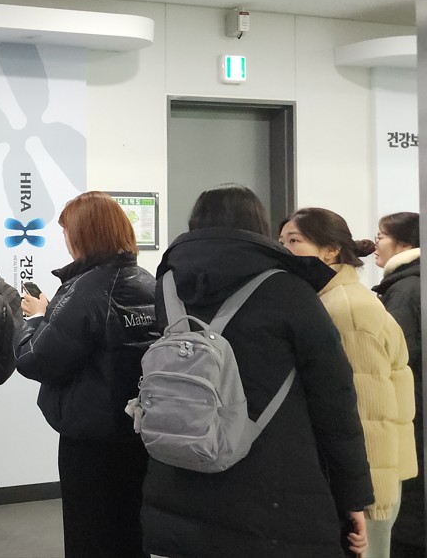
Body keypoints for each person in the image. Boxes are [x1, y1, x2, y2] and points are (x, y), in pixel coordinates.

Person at [143, 184, 373, 557]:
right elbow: (334, 400)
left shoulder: (167, 286)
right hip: (271, 491)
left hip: (180, 470)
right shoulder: (289, 289)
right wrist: (353, 497)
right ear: (258, 225)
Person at [15, 191, 155, 557]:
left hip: (91, 440)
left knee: (90, 535)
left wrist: (35, 319)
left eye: (67, 232)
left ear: (84, 235)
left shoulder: (85, 290)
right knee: (132, 532)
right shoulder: (148, 282)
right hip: (141, 433)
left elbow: (35, 360)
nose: (66, 240)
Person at [280, 207, 416, 557]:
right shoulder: (330, 300)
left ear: (331, 250)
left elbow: (370, 415)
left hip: (368, 488)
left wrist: (369, 502)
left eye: (295, 241)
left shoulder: (347, 310)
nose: (285, 250)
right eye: (281, 242)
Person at [372, 212, 423, 558]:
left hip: (411, 407)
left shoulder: (404, 289)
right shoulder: (411, 283)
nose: (375, 243)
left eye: (381, 236)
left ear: (403, 243)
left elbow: (394, 353)